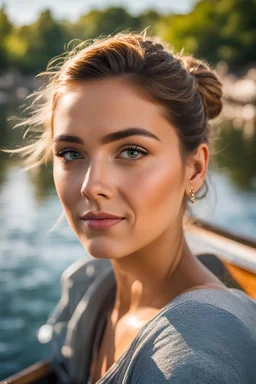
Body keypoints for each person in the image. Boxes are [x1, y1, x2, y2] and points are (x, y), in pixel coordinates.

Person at [11, 31, 256, 383]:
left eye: (131, 151)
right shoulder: (93, 296)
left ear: (195, 168)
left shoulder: (195, 357)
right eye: (71, 153)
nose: (91, 186)